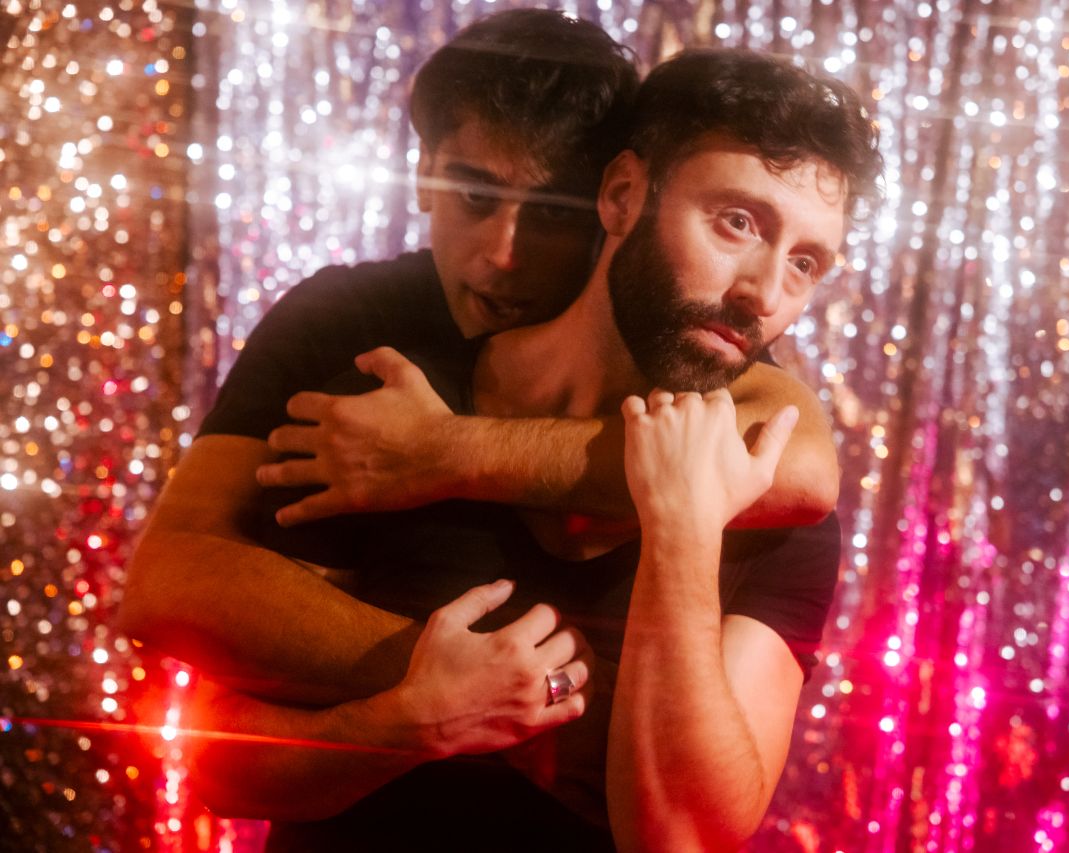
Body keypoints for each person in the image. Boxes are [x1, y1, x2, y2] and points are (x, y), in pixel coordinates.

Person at [119, 14, 881, 851]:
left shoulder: (770, 487)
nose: (764, 293)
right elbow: (217, 753)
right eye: (735, 221)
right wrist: (418, 711)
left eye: (806, 263)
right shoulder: (377, 390)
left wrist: (680, 523)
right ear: (622, 196)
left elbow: (684, 836)